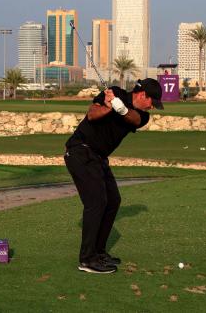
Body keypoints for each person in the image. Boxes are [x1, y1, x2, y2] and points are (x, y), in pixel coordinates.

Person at [64, 78, 163, 274]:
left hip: (99, 158)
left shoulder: (143, 115)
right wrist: (109, 107)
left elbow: (133, 119)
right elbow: (91, 115)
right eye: (152, 101)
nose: (152, 106)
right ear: (143, 95)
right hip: (80, 151)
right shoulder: (115, 92)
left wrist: (122, 109)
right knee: (97, 202)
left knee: (113, 200)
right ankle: (87, 259)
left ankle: (99, 252)